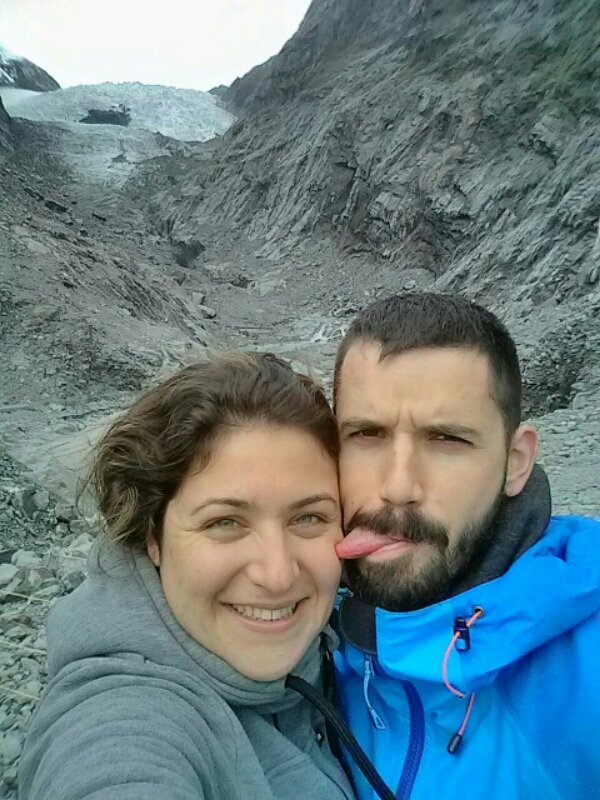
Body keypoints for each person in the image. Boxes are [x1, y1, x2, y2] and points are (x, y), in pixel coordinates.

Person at [19, 353, 361, 800]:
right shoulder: (125, 720)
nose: (278, 575)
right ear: (152, 536)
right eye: (225, 522)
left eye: (308, 518)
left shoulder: (355, 634)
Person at [332, 293, 600, 800]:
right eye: (366, 434)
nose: (398, 487)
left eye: (447, 440)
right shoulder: (302, 625)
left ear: (515, 462)